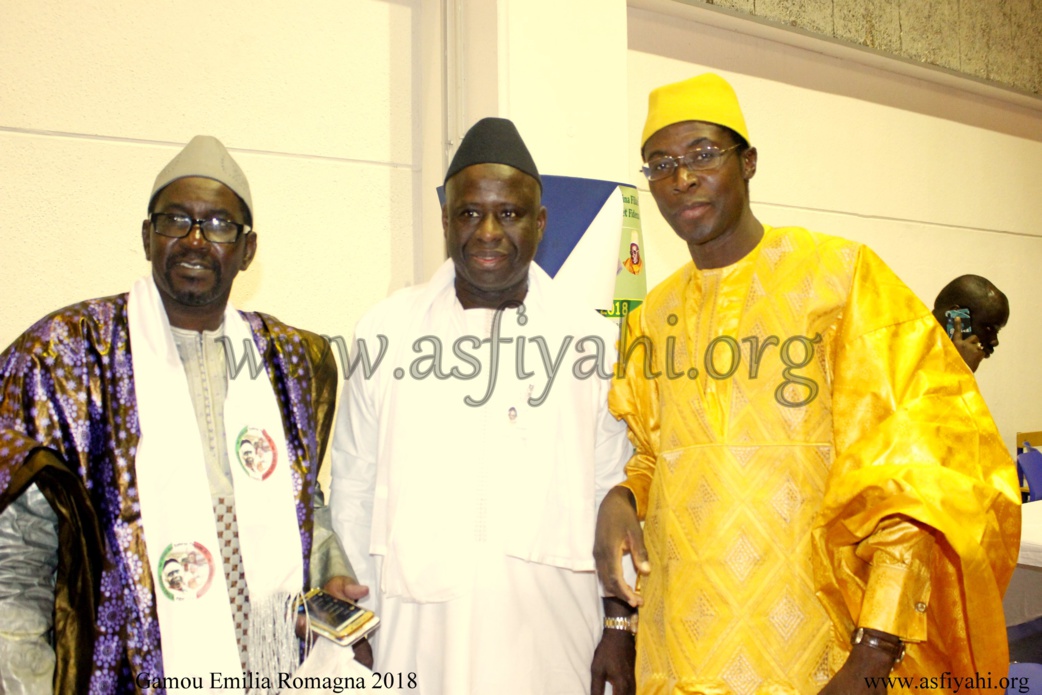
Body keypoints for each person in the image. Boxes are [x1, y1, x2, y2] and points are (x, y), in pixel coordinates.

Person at [594, 73, 1020, 694]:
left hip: (811, 650)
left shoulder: (844, 280)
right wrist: (620, 509)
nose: (680, 177)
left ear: (749, 161)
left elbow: (917, 475)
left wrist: (875, 649)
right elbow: (656, 459)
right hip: (676, 649)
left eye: (702, 155)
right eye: (660, 164)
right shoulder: (650, 320)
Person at [0, 135, 366, 693]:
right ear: (147, 236)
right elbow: (16, 561)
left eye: (220, 225)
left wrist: (328, 571)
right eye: (176, 220)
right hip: (130, 675)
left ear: (247, 250)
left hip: (270, 670)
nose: (196, 239)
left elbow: (302, 502)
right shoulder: (62, 356)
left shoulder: (289, 360)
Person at [330, 117, 634, 694]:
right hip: (415, 629)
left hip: (553, 636)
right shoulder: (386, 330)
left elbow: (613, 489)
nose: (488, 231)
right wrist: (351, 628)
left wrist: (619, 627)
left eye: (510, 213)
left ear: (539, 223)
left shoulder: (591, 340)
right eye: (469, 213)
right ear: (446, 220)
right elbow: (353, 485)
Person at [931, 274, 1009, 373]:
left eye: (997, 332)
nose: (995, 341)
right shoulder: (911, 351)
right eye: (988, 328)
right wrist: (961, 368)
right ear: (957, 317)